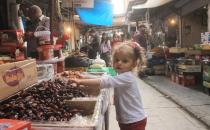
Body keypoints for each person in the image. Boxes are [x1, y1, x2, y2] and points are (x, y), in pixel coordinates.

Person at [70, 42, 147, 130]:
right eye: (117, 60)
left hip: (134, 121)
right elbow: (105, 77)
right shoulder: (120, 75)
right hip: (127, 120)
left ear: (133, 64)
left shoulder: (128, 77)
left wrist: (80, 81)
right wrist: (84, 76)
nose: (119, 63)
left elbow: (104, 82)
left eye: (125, 61)